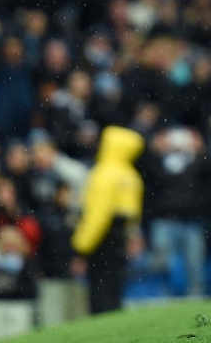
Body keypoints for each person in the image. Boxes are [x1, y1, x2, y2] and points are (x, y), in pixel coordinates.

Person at [70, 125, 145, 314]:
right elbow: (133, 214)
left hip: (102, 238)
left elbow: (97, 215)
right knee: (114, 284)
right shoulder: (131, 175)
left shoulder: (103, 174)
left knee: (100, 287)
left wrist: (81, 246)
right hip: (120, 235)